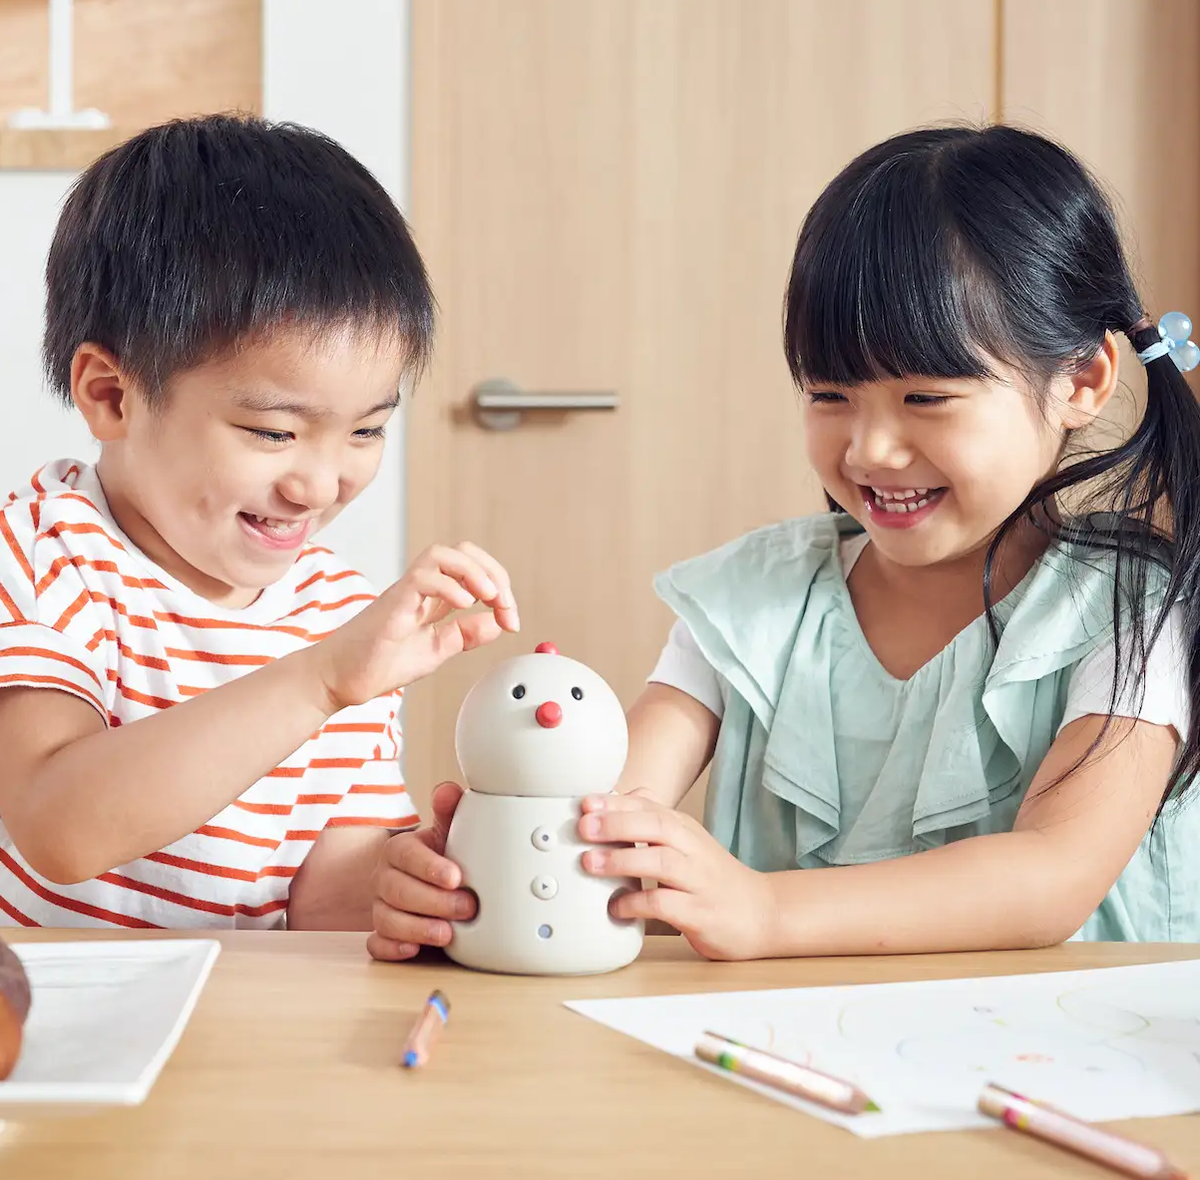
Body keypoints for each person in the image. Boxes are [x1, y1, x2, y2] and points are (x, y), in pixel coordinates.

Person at [370, 125, 1200, 962]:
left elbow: (1051, 878)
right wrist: (490, 876)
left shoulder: (1132, 612)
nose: (870, 449)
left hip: (1054, 1060)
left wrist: (766, 912)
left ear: (1081, 382)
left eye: (927, 398)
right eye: (831, 394)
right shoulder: (752, 600)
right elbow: (611, 822)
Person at [0, 113, 517, 930]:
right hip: (59, 1032)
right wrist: (319, 680)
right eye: (273, 433)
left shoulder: (341, 615)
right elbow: (58, 829)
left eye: (367, 430)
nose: (318, 484)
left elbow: (324, 895)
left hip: (250, 1031)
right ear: (111, 394)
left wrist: (413, 877)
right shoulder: (39, 555)